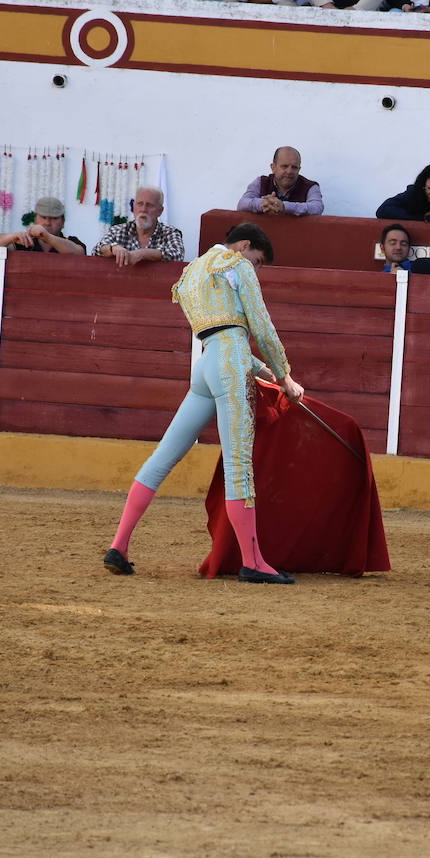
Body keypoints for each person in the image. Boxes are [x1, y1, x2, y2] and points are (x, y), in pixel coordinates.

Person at [105, 222, 306, 585]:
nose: (256, 268)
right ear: (244, 246)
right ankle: (253, 562)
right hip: (229, 365)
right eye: (258, 261)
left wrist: (267, 373)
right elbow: (260, 328)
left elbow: (222, 335)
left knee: (162, 457)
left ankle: (119, 545)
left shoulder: (190, 273)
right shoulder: (237, 264)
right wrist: (285, 375)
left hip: (206, 365)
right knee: (239, 466)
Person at [93, 186, 184, 266]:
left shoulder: (170, 233)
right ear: (134, 207)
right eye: (140, 204)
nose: (143, 209)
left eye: (149, 205)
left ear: (160, 211)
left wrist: (143, 254)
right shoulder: (117, 230)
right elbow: (96, 251)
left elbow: (177, 255)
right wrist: (113, 248)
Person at [236, 146, 323, 217]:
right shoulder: (261, 182)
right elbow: (242, 204)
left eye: (294, 167)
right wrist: (264, 204)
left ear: (299, 169)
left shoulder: (310, 187)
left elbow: (317, 208)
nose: (289, 171)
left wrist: (284, 206)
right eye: (284, 166)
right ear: (273, 167)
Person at [0, 197, 86, 254]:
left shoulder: (71, 241)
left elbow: (79, 253)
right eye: (43, 217)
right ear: (35, 219)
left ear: (63, 222)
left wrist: (47, 237)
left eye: (54, 218)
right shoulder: (24, 241)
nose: (47, 223)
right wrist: (12, 237)